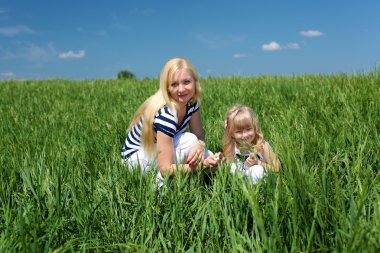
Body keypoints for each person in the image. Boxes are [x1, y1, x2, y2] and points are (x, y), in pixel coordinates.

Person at [120, 57, 220, 185]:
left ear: (195, 82)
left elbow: (200, 136)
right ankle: (158, 187)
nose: (181, 89)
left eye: (186, 82)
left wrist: (200, 146)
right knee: (190, 141)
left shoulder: (192, 103)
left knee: (207, 153)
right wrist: (201, 166)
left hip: (156, 153)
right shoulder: (167, 114)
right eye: (174, 84)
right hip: (135, 162)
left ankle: (185, 178)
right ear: (167, 88)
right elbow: (165, 169)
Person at [223, 105, 281, 184]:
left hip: (262, 181)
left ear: (254, 127)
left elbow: (277, 168)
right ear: (231, 133)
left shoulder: (262, 146)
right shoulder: (233, 147)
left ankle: (260, 195)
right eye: (239, 132)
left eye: (248, 129)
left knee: (256, 170)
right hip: (242, 183)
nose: (245, 135)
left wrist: (258, 163)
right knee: (232, 167)